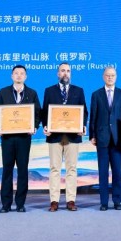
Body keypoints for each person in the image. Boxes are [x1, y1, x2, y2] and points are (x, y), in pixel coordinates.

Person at [0, 65, 41, 213]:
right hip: (7, 138)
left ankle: (20, 204)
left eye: (22, 73)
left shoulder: (32, 93)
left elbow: (38, 113)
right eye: (16, 73)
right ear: (12, 76)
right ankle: (5, 204)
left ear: (26, 76)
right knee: (7, 169)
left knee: (23, 170)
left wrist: (35, 126)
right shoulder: (3, 92)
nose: (19, 75)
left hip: (24, 138)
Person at [42, 62, 88, 211]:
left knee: (72, 169)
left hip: (73, 136)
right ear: (58, 73)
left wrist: (82, 126)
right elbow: (45, 112)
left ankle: (71, 200)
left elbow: (84, 111)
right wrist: (45, 126)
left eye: (68, 71)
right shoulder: (49, 91)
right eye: (62, 71)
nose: (65, 73)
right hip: (54, 136)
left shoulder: (78, 91)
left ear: (71, 73)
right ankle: (54, 201)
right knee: (54, 169)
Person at [89, 66, 121, 211]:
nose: (110, 77)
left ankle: (117, 201)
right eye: (107, 75)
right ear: (103, 77)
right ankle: (104, 202)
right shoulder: (96, 94)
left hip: (117, 138)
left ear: (116, 77)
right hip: (102, 138)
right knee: (103, 172)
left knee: (117, 172)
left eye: (112, 75)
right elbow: (93, 115)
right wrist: (92, 135)